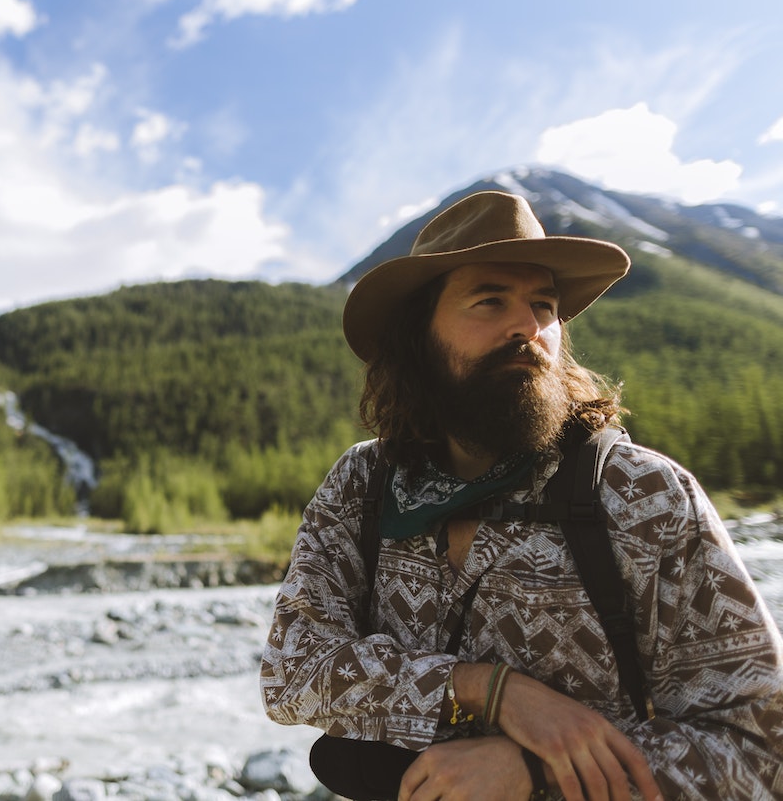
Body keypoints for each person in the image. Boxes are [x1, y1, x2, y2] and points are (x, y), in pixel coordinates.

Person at [260, 191, 783, 800]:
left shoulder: (642, 496)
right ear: (417, 335)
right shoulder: (362, 484)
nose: (528, 328)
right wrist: (490, 692)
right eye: (490, 301)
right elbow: (291, 673)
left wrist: (538, 776)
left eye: (544, 305)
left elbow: (759, 744)